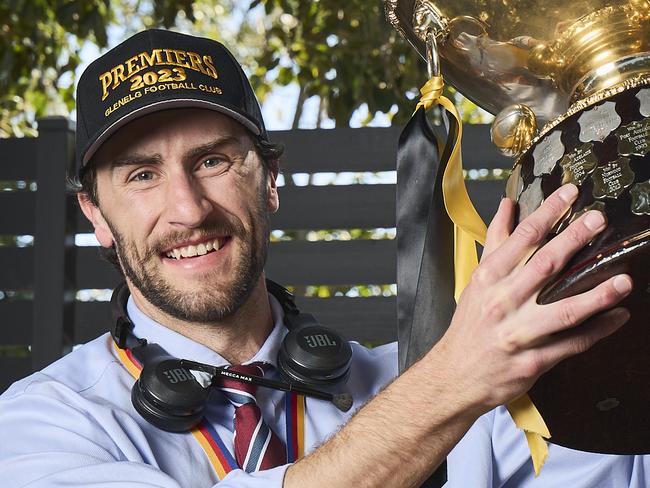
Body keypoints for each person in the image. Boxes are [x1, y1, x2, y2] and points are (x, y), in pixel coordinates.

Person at [0, 29, 635, 487]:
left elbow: (612, 456)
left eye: (214, 162)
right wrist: (454, 381)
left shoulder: (453, 385)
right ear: (96, 217)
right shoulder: (41, 423)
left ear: (270, 181)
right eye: (141, 175)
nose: (188, 210)